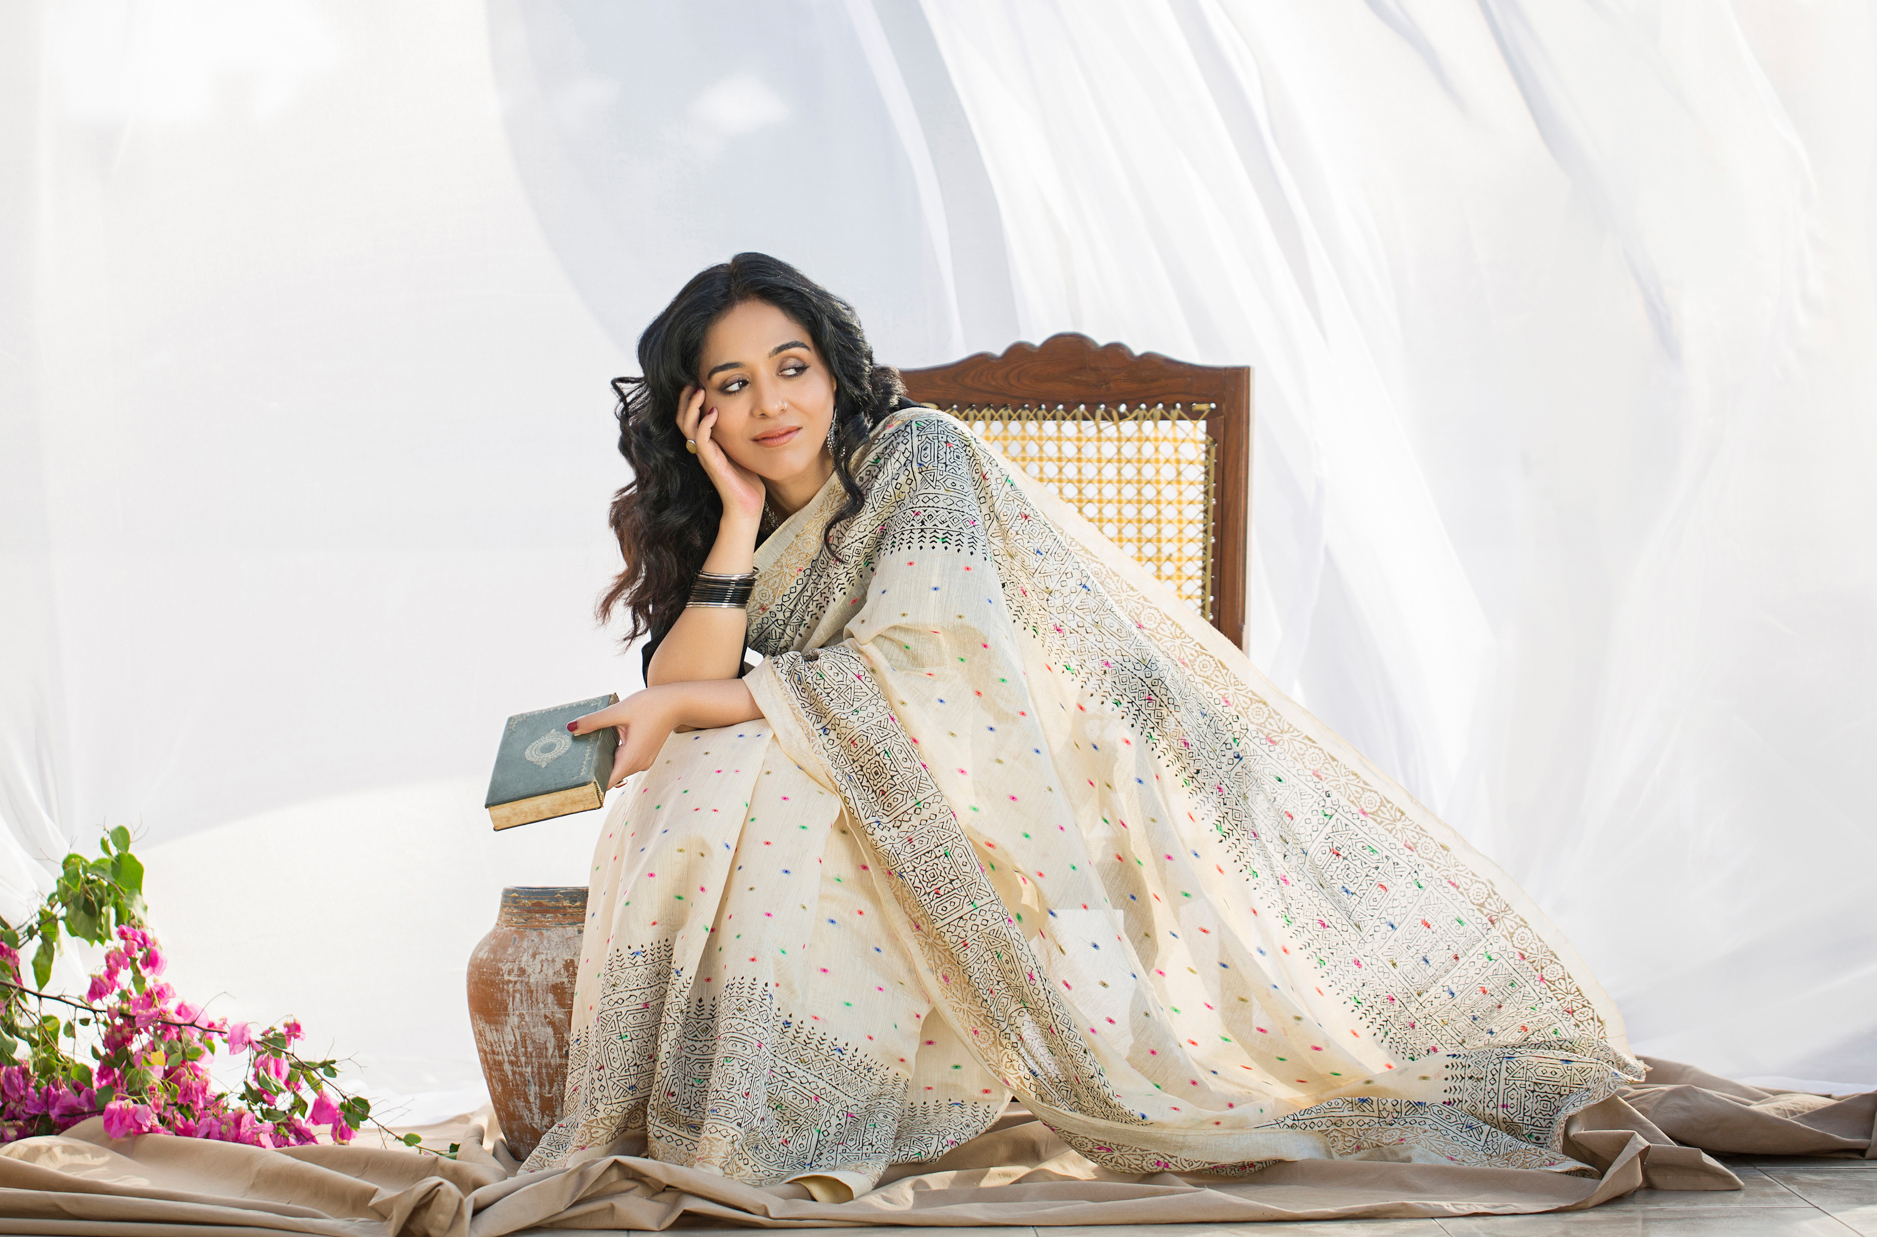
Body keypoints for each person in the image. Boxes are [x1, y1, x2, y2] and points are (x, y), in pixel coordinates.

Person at [524, 252, 1638, 1201]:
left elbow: (926, 668)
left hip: (1032, 758)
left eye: (792, 366)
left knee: (742, 751)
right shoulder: (737, 512)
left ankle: (775, 1104)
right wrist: (730, 521)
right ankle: (750, 1101)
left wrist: (688, 704)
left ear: (832, 369)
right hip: (878, 761)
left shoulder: (916, 455)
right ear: (694, 412)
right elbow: (688, 682)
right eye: (734, 384)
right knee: (725, 759)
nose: (772, 403)